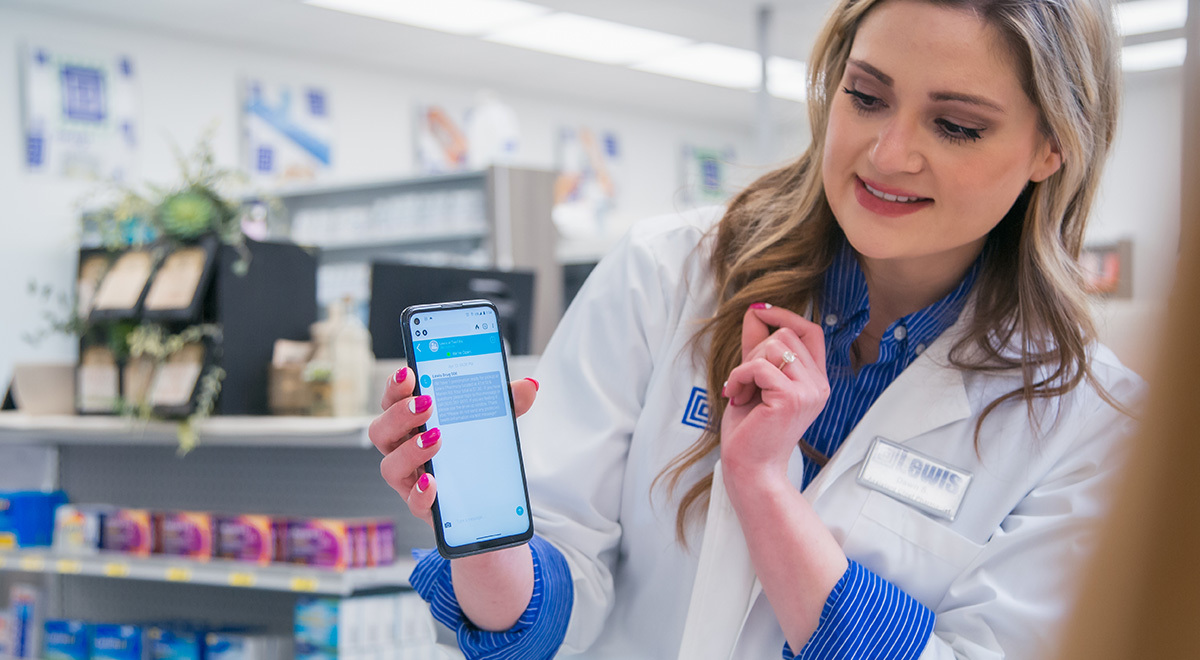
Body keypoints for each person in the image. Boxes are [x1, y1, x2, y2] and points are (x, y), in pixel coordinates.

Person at [370, 0, 1143, 655]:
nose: (889, 152)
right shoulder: (669, 273)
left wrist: (764, 489)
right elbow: (556, 594)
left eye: (956, 126)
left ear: (1053, 146)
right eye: (866, 97)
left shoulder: (1091, 422)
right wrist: (486, 542)